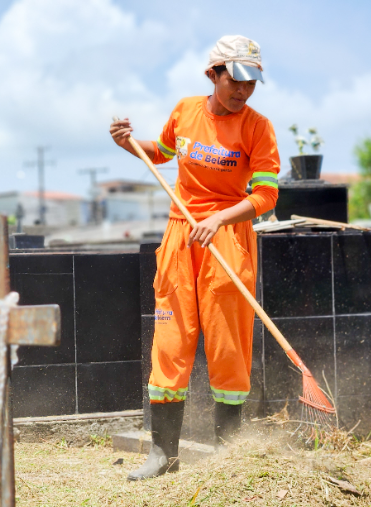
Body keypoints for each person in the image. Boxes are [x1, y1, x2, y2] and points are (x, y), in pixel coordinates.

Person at [110, 35, 280, 481]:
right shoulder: (186, 111)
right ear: (213, 75)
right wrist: (128, 143)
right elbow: (161, 154)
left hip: (227, 239)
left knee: (228, 345)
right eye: (235, 82)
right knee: (170, 341)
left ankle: (228, 457)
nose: (243, 91)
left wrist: (220, 219)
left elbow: (265, 195)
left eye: (251, 83)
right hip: (181, 236)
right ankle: (164, 455)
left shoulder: (257, 127)